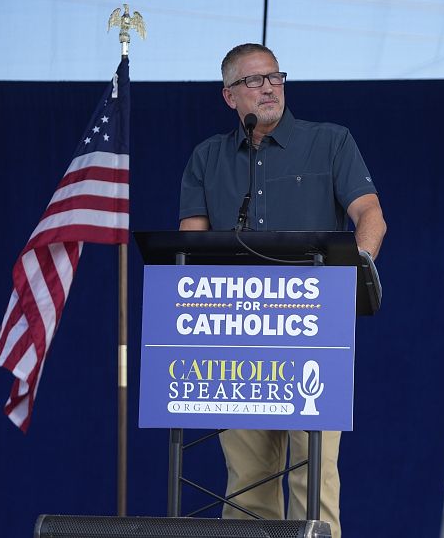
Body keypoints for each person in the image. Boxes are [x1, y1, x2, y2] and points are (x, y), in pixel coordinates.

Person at [179, 43, 386, 538]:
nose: (268, 87)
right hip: (235, 334)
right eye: (253, 80)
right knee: (248, 483)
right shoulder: (208, 157)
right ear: (229, 95)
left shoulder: (331, 142)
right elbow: (190, 243)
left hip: (315, 328)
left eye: (275, 76)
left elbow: (370, 217)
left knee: (312, 474)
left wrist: (351, 273)